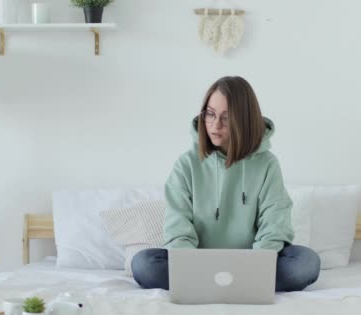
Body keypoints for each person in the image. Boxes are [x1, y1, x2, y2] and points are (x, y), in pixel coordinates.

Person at [131, 76, 320, 292]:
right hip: (196, 264)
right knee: (143, 264)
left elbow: (274, 225)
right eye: (210, 114)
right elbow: (178, 226)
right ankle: (234, 285)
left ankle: (222, 284)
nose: (214, 125)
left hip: (254, 263)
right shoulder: (187, 164)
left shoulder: (267, 164)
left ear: (243, 119)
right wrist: (192, 266)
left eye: (226, 118)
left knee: (306, 263)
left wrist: (252, 266)